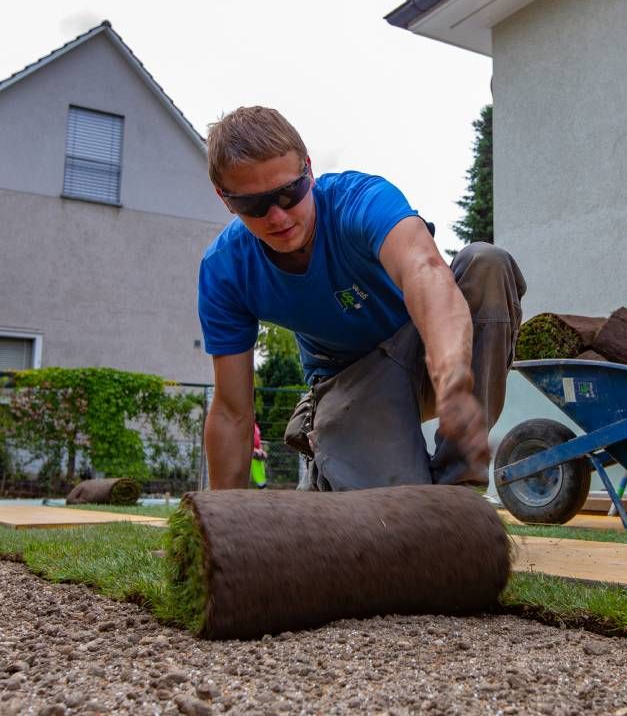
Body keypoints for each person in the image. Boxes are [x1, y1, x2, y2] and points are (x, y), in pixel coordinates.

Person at [197, 106, 525, 491]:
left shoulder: (359, 200)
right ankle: (331, 454)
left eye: (290, 193)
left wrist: (452, 370)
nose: (278, 217)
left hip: (426, 355)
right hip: (352, 381)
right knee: (397, 514)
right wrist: (221, 520)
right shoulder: (226, 269)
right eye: (254, 206)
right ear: (225, 199)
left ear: (309, 169)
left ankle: (461, 490)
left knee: (486, 263)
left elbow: (425, 270)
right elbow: (233, 411)